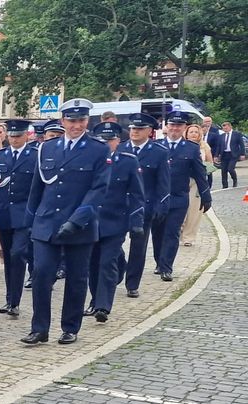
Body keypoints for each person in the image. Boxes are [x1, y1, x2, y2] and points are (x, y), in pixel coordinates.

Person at [20, 99, 108, 346]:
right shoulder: (47, 148)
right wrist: (30, 220)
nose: (76, 125)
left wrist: (76, 220)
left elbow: (98, 189)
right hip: (46, 222)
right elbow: (37, 187)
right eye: (71, 120)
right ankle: (40, 328)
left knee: (77, 278)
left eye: (80, 120)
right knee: (42, 274)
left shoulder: (98, 149)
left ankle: (70, 327)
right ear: (63, 121)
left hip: (79, 224)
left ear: (87, 121)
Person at [84, 121, 144, 323]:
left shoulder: (128, 161)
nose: (106, 143)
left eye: (110, 139)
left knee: (106, 262)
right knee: (92, 264)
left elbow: (137, 194)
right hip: (90, 221)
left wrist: (136, 220)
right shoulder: (89, 160)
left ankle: (103, 306)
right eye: (102, 139)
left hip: (115, 221)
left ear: (118, 141)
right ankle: (94, 300)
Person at [151, 111, 212, 282]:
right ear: (166, 126)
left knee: (172, 233)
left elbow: (200, 174)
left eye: (179, 125)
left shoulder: (191, 149)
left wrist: (206, 196)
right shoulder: (156, 146)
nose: (175, 128)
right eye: (172, 125)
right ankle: (158, 261)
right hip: (158, 198)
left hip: (179, 197)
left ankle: (166, 267)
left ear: (184, 128)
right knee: (158, 233)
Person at [121, 113, 171, 299]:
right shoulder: (120, 148)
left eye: (140, 129)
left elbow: (163, 183)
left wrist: (161, 205)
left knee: (138, 248)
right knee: (112, 246)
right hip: (119, 207)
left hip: (144, 208)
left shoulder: (159, 152)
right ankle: (117, 270)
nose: (135, 132)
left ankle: (132, 283)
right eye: (133, 128)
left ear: (150, 131)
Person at [0, 120, 37, 318]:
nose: (14, 139)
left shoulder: (34, 155)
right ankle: (10, 298)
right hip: (4, 214)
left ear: (26, 136)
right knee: (9, 258)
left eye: (18, 136)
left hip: (24, 214)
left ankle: (16, 301)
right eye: (11, 136)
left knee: (18, 254)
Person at [180, 123, 214, 246]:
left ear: (200, 134)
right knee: (181, 209)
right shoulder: (181, 146)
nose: (193, 134)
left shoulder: (205, 147)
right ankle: (179, 231)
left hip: (197, 181)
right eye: (191, 132)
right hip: (183, 180)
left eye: (196, 132)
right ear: (186, 134)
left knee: (194, 210)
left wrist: (204, 169)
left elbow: (211, 163)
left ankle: (188, 237)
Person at [217, 121, 245, 189]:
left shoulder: (237, 134)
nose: (225, 129)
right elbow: (219, 146)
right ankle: (224, 185)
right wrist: (216, 155)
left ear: (230, 127)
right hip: (224, 154)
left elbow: (241, 144)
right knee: (223, 170)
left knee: (230, 169)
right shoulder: (222, 136)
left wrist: (242, 154)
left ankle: (234, 180)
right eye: (224, 128)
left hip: (233, 154)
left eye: (226, 127)